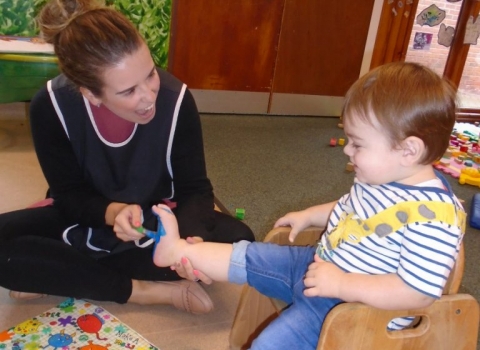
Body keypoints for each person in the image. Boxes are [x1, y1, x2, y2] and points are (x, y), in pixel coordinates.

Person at [150, 62, 466, 349]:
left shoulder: (435, 217)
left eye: (358, 144)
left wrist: (343, 284)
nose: (348, 151)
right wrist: (309, 216)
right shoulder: (384, 176)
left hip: (352, 313)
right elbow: (350, 210)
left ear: (408, 151)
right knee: (250, 255)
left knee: (268, 345)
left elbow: (417, 292)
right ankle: (177, 250)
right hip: (322, 267)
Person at [0, 0, 254, 314]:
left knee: (240, 240)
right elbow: (69, 197)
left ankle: (64, 274)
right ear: (90, 94)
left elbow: (195, 190)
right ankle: (141, 291)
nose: (148, 96)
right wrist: (113, 212)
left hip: (156, 223)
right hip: (85, 217)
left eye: (150, 75)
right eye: (128, 91)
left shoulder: (177, 101)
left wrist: (189, 243)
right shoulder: (49, 107)